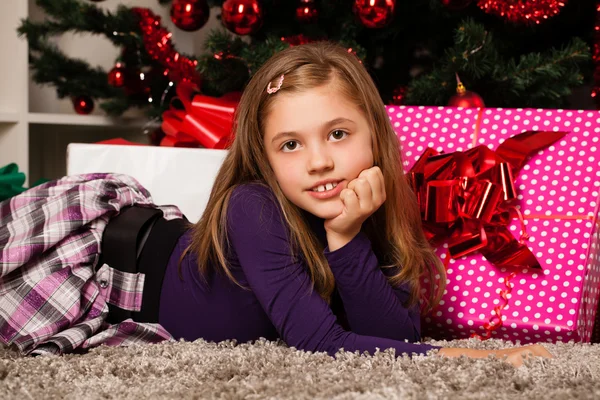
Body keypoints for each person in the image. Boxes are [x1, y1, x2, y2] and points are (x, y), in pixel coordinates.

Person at [0, 42, 552, 367]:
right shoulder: (253, 206)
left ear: (374, 137)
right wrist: (452, 356)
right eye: (291, 144)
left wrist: (346, 236)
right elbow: (320, 342)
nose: (319, 162)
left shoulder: (368, 211)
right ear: (264, 157)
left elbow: (397, 339)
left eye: (338, 134)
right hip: (103, 256)